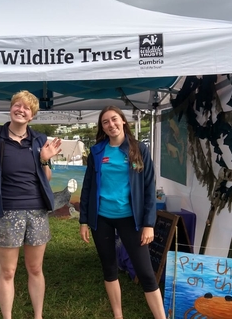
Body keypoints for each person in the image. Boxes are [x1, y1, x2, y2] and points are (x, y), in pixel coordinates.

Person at [0, 90, 62, 319]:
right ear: (11, 108)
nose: (21, 110)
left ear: (31, 116)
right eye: (18, 105)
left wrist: (44, 159)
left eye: (27, 108)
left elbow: (47, 178)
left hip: (36, 211)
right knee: (8, 271)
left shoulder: (40, 140)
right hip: (6, 212)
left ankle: (38, 315)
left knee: (35, 269)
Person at [79, 105, 166, 319]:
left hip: (131, 220)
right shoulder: (97, 151)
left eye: (114, 119)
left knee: (146, 273)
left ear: (123, 121)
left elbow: (148, 188)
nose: (111, 124)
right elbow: (88, 186)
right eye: (105, 122)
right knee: (109, 269)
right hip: (102, 219)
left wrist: (148, 224)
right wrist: (83, 220)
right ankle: (118, 316)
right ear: (102, 127)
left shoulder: (138, 149)